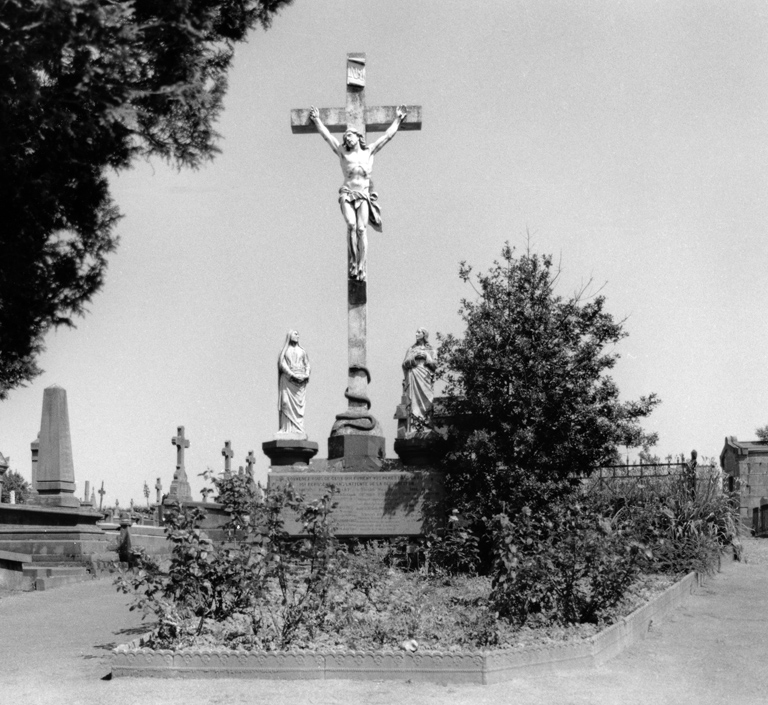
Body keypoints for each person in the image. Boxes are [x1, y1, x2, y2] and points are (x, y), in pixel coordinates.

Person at [309, 104, 408, 281]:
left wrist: (398, 119)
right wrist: (316, 120)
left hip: (363, 196)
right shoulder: (342, 153)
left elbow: (387, 137)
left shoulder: (369, 152)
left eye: (350, 135)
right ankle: (353, 263)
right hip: (347, 194)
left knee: (362, 229)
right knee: (351, 225)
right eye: (345, 137)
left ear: (358, 137)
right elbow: (327, 137)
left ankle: (361, 265)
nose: (347, 138)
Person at [402, 328, 437, 434]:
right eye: (416, 332)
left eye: (419, 332)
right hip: (413, 375)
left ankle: (427, 424)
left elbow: (435, 365)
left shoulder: (431, 349)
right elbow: (404, 364)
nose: (416, 334)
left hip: (425, 377)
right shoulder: (411, 349)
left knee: (428, 399)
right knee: (413, 402)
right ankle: (414, 427)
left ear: (424, 335)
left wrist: (426, 356)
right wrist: (414, 357)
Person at [277, 330, 311, 435]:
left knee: (298, 409)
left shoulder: (302, 351)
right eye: (295, 333)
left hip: (300, 382)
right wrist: (292, 375)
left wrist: (306, 374)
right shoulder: (284, 351)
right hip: (288, 381)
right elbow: (282, 365)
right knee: (286, 403)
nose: (297, 335)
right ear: (289, 336)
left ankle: (298, 428)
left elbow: (307, 364)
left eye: (298, 334)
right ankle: (286, 428)